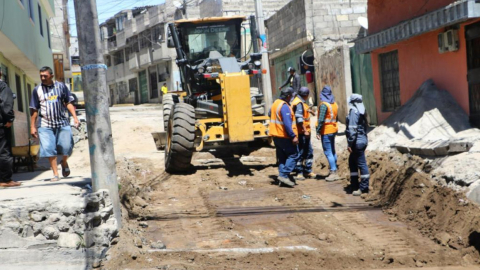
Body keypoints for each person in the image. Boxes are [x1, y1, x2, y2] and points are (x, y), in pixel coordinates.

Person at [30, 66, 80, 182]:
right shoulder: (37, 90)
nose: (42, 78)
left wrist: (75, 117)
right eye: (41, 76)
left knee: (66, 147)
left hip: (62, 123)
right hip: (45, 124)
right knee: (49, 148)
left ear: (51, 76)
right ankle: (55, 173)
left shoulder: (61, 86)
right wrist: (33, 126)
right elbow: (34, 109)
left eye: (45, 76)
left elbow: (68, 102)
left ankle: (64, 161)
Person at [269, 87, 299, 187]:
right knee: (293, 155)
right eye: (291, 96)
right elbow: (287, 124)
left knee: (282, 157)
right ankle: (284, 175)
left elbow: (270, 114)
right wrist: (293, 136)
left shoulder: (275, 103)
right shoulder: (284, 106)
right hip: (284, 136)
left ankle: (282, 177)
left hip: (276, 135)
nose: (292, 98)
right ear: (288, 96)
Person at [346, 94, 370, 196]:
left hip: (357, 142)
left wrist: (350, 144)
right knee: (352, 162)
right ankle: (354, 184)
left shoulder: (354, 111)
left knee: (361, 164)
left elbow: (352, 130)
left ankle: (363, 187)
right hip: (362, 141)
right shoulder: (362, 111)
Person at [0, 67, 20, 187]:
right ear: (1, 73)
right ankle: (5, 180)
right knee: (3, 151)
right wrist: (9, 118)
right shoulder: (3, 87)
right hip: (1, 125)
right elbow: (6, 104)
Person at [316, 86, 341, 182]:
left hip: (326, 131)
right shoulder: (334, 104)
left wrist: (318, 131)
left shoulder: (324, 105)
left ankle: (333, 172)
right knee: (333, 151)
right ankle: (334, 169)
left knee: (328, 152)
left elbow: (321, 120)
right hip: (333, 130)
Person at [291, 87, 316, 180]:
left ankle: (307, 171)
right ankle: (300, 172)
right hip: (301, 132)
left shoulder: (299, 101)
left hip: (303, 132)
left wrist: (309, 111)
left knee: (308, 151)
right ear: (306, 95)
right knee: (301, 152)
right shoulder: (299, 103)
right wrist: (305, 130)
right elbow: (299, 119)